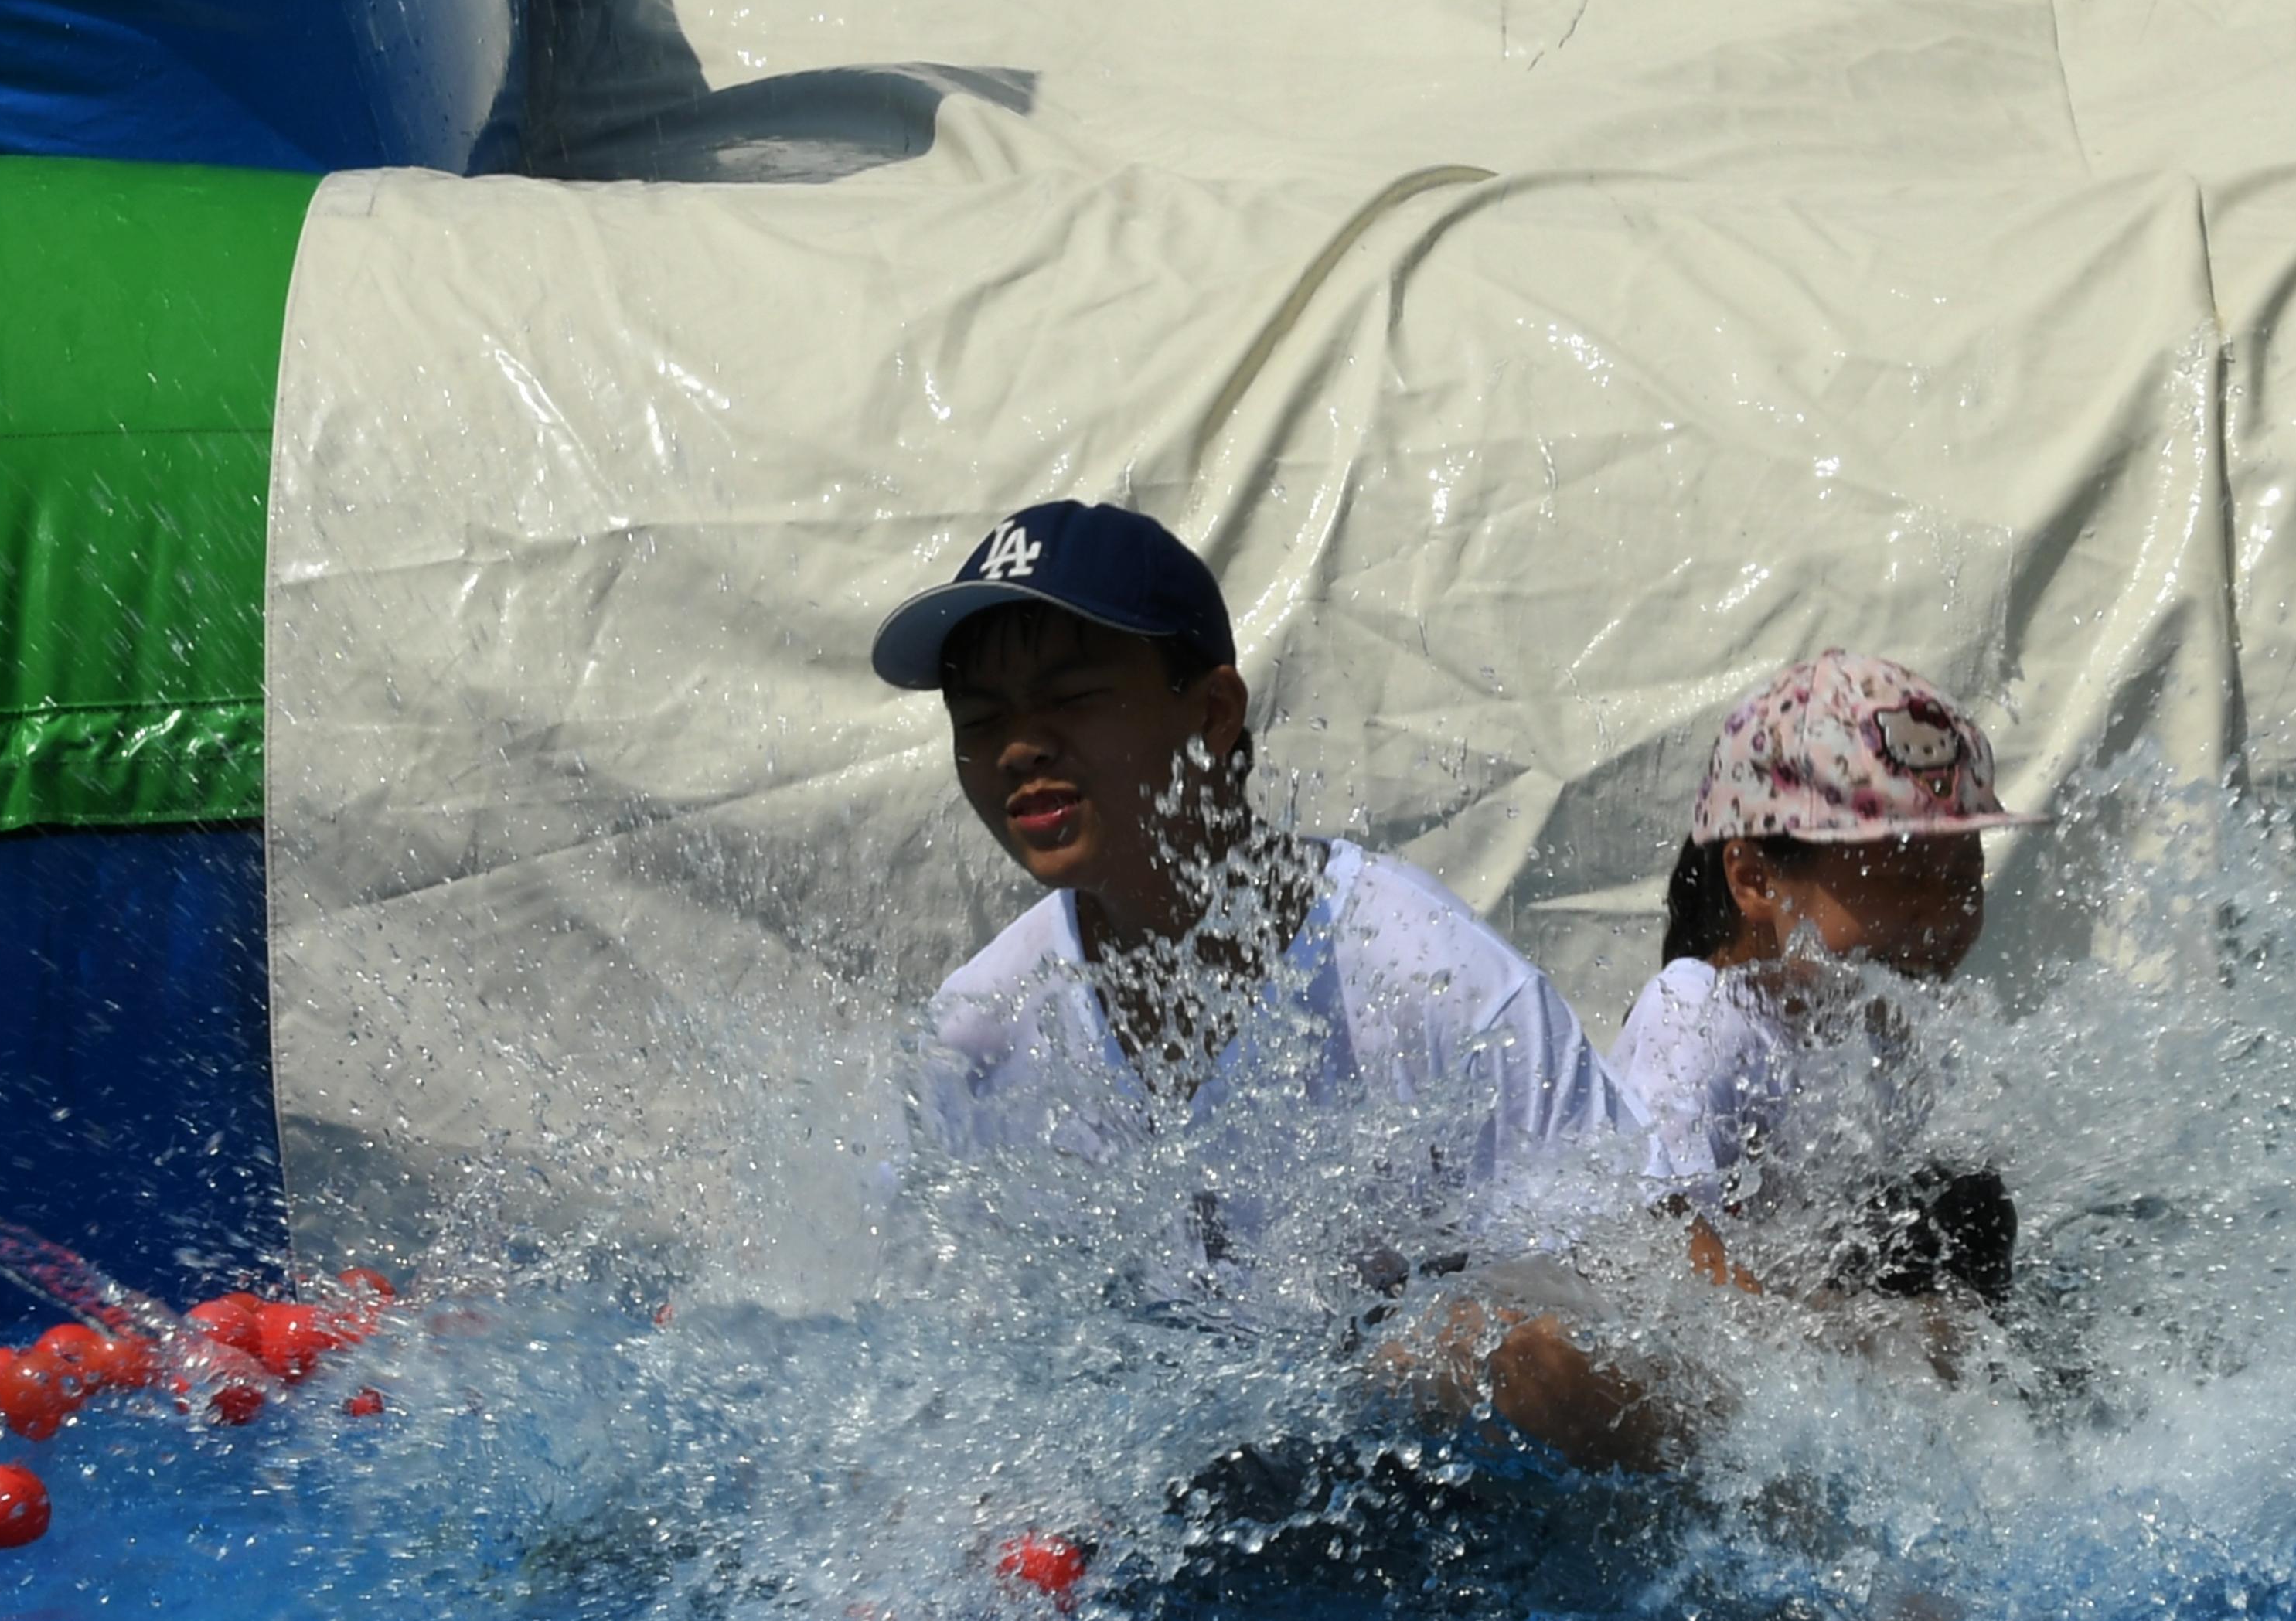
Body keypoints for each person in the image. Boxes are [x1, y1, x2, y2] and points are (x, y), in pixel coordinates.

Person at [870, 495, 1661, 1452]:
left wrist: (1463, 1354)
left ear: (1211, 712)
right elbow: (929, 1359)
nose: (1018, 748)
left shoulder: (1424, 979)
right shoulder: (979, 1032)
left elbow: (1652, 1314)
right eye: (979, 717)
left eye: (1071, 698)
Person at [1612, 649, 2040, 1309]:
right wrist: (1847, 1351)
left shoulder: (1878, 1031)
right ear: (1754, 878)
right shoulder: (1696, 1017)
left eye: (1963, 879)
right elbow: (1653, 1240)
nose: (1943, 919)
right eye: (1902, 880)